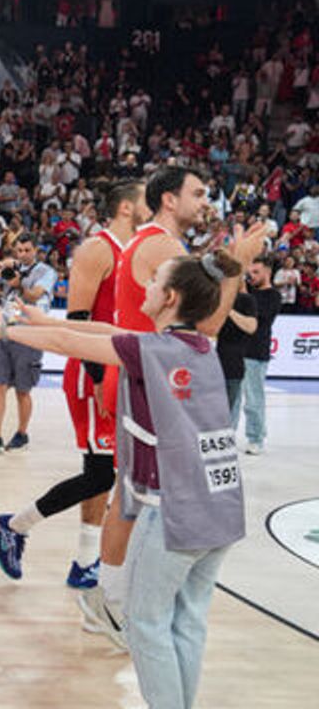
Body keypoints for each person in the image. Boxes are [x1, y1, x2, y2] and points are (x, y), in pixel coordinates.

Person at [0, 249, 247, 709]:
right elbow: (107, 332)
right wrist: (39, 318)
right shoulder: (197, 346)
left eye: (154, 280)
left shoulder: (152, 350)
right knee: (188, 622)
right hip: (222, 507)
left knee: (144, 623)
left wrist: (6, 331)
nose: (146, 286)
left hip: (175, 512)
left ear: (169, 297)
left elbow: (70, 344)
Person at [76, 166, 264, 650]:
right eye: (197, 193)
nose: (205, 202)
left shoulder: (155, 242)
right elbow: (208, 326)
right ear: (168, 200)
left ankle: (109, 596)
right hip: (150, 380)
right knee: (136, 498)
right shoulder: (163, 247)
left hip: (141, 375)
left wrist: (228, 261)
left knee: (130, 496)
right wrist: (237, 265)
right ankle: (110, 600)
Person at [0, 180, 147, 590]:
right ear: (126, 207)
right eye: (146, 199)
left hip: (116, 366)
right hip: (94, 371)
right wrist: (98, 378)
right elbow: (77, 317)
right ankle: (16, 526)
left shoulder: (135, 250)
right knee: (100, 475)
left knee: (105, 473)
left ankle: (84, 561)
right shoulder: (98, 248)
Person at [0, 232, 57, 454]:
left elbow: (34, 295)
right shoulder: (11, 267)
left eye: (27, 250)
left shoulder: (46, 272)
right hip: (5, 331)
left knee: (22, 390)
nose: (23, 255)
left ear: (36, 250)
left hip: (30, 334)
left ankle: (22, 433)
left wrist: (19, 283)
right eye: (19, 250)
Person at [238, 256, 281, 454]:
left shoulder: (273, 296)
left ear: (268, 272)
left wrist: (243, 292)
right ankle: (227, 435)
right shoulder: (246, 290)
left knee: (253, 399)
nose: (252, 276)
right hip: (235, 351)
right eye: (250, 272)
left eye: (256, 272)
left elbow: (258, 316)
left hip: (255, 353)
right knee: (232, 399)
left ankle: (255, 438)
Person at [216, 285, 258, 414]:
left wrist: (228, 309)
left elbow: (251, 327)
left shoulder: (245, 300)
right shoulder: (209, 298)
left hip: (231, 366)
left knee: (226, 413)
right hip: (206, 366)